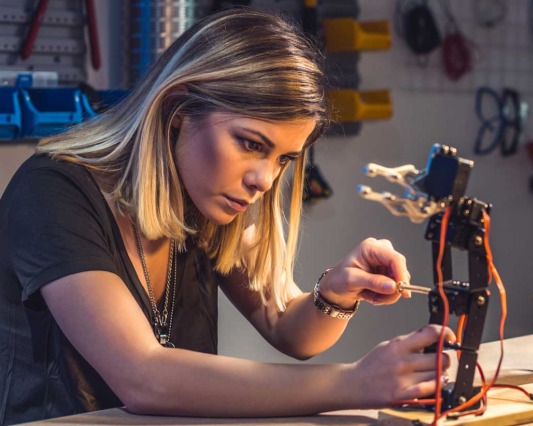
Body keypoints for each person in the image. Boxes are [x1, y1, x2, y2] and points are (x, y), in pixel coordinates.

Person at [0, 8, 453, 424]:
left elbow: (290, 330)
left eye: (283, 159)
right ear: (178, 109)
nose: (264, 180)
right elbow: (143, 376)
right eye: (251, 144)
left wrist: (335, 293)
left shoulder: (205, 199)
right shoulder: (52, 192)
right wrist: (356, 383)